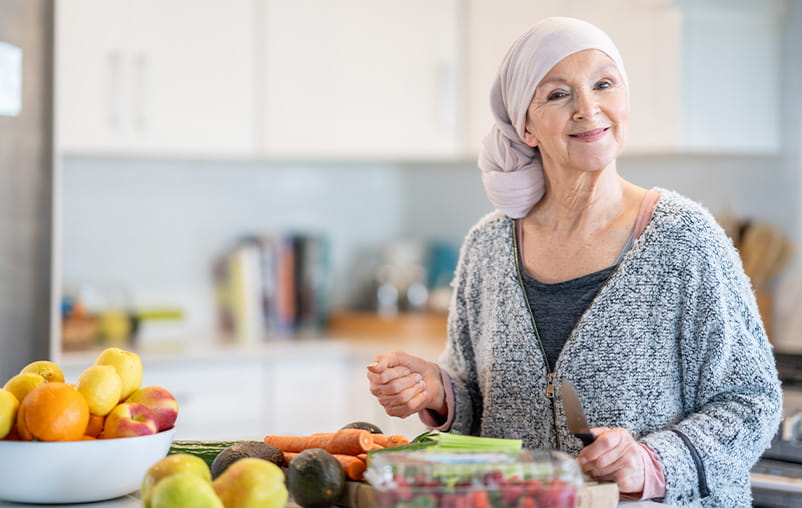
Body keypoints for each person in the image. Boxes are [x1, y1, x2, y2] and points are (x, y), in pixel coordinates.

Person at [366, 16, 782, 507]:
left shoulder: (684, 238)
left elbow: (752, 401)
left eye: (604, 84)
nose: (589, 107)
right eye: (559, 94)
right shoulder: (488, 245)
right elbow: (477, 401)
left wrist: (649, 463)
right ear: (525, 125)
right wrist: (440, 392)